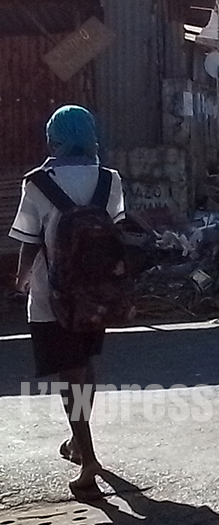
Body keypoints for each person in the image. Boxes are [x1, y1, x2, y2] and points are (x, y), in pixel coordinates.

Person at [9, 105, 127, 492]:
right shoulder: (109, 179)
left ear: (55, 138)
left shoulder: (37, 183)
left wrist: (22, 281)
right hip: (96, 294)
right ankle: (78, 442)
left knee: (69, 375)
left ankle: (88, 461)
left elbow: (29, 241)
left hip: (51, 296)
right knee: (85, 365)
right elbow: (114, 231)